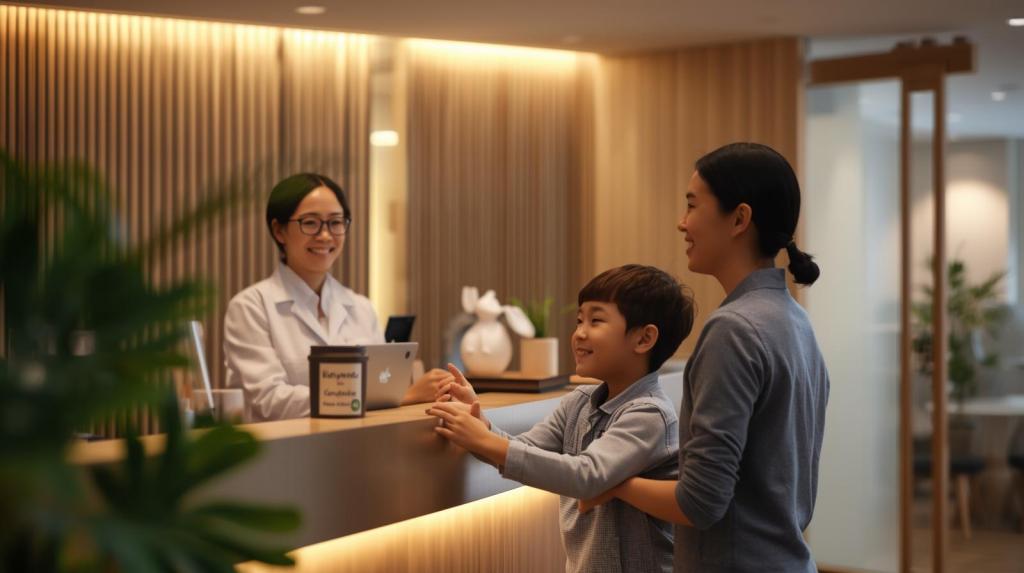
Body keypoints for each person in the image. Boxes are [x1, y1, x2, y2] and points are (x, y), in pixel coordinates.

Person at [582, 142, 830, 573]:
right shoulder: (794, 319)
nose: (682, 223)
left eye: (693, 205)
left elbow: (700, 502)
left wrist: (612, 482)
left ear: (739, 219)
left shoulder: (733, 329)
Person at [427, 264, 695, 573]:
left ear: (644, 339)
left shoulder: (649, 413)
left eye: (596, 320)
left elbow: (586, 476)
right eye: (579, 320)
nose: (579, 333)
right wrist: (480, 423)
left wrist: (485, 439)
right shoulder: (578, 403)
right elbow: (523, 448)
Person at [224, 173, 450, 422]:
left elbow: (381, 386)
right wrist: (403, 395)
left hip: (353, 450)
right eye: (310, 223)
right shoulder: (250, 307)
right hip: (283, 453)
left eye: (335, 222)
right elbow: (270, 400)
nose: (325, 235)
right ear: (279, 231)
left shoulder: (361, 307)